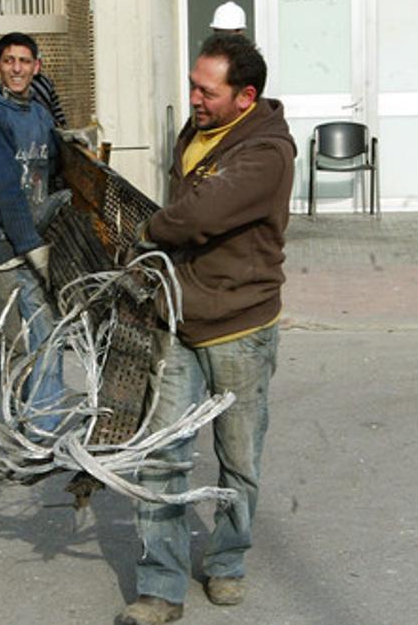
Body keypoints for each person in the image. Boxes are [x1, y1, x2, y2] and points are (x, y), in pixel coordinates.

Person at [115, 33, 295, 625]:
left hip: (240, 326)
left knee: (238, 458)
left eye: (206, 90)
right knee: (161, 455)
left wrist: (149, 230)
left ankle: (226, 563)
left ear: (245, 96)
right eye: (192, 84)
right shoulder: (195, 134)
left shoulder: (267, 153)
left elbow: (201, 216)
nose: (193, 97)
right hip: (177, 321)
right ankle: (159, 587)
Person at [0, 32, 65, 434]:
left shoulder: (37, 113)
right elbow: (4, 188)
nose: (17, 68)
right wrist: (33, 246)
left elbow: (51, 169)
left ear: (36, 67)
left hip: (26, 243)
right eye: (9, 61)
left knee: (48, 334)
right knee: (17, 346)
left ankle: (47, 426)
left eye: (24, 61)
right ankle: (25, 429)